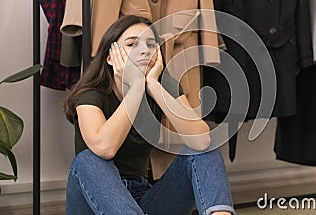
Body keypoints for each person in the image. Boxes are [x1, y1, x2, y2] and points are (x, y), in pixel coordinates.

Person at [64, 15, 235, 215]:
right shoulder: (89, 95)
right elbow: (105, 148)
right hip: (91, 200)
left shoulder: (163, 86)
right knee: (87, 160)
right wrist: (136, 88)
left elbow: (202, 141)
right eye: (132, 44)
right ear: (110, 56)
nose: (145, 50)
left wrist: (153, 85)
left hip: (142, 200)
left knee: (203, 144)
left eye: (151, 44)